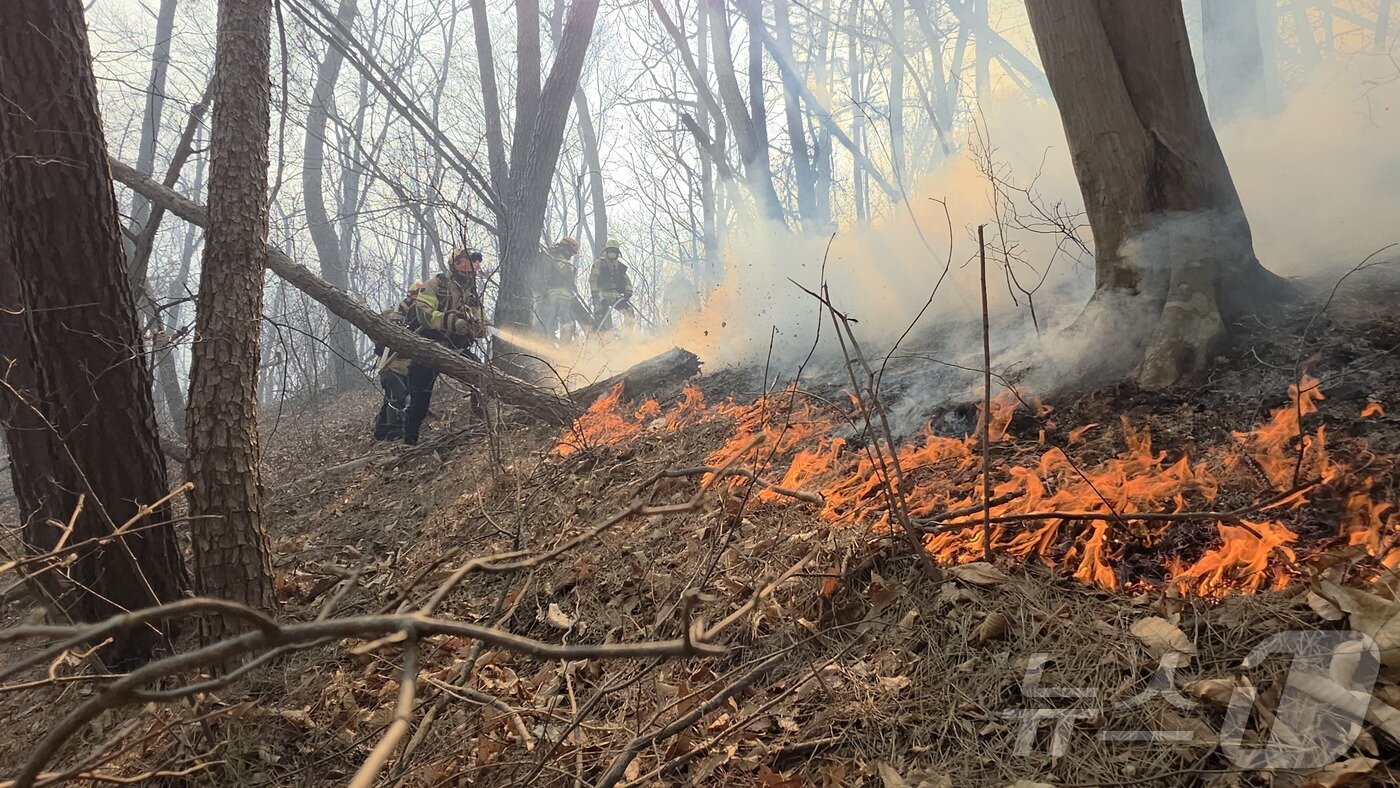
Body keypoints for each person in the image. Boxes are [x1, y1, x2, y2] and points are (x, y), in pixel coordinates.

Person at [402, 247, 488, 445]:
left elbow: (481, 320)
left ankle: (479, 431)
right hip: (428, 348)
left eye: (473, 264)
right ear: (455, 264)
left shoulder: (473, 294)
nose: (470, 268)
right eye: (464, 263)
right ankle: (409, 443)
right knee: (420, 403)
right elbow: (423, 313)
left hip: (456, 349)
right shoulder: (436, 285)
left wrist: (478, 327)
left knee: (480, 378)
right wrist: (450, 322)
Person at [371, 282, 421, 441]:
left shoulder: (420, 316)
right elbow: (376, 332)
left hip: (406, 366)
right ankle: (395, 433)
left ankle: (380, 433)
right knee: (397, 397)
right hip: (390, 365)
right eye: (416, 296)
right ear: (410, 296)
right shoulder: (394, 313)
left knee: (390, 399)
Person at [538, 236, 582, 341]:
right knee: (564, 321)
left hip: (549, 294)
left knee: (550, 322)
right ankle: (562, 344)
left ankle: (549, 341)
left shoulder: (550, 254)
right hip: (557, 294)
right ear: (566, 248)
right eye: (571, 252)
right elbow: (565, 273)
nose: (571, 255)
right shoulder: (555, 256)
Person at [589, 238, 634, 332]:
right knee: (599, 317)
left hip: (616, 297)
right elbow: (593, 279)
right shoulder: (599, 263)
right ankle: (599, 336)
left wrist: (628, 291)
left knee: (629, 311)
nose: (612, 253)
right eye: (610, 251)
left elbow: (627, 281)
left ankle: (628, 335)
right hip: (601, 295)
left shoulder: (620, 266)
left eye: (614, 251)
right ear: (606, 251)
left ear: (618, 253)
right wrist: (595, 294)